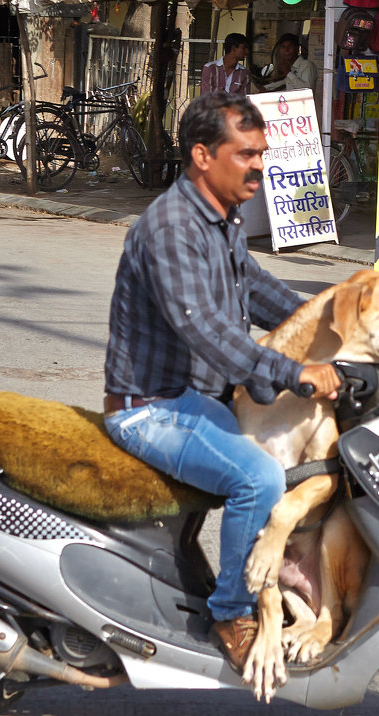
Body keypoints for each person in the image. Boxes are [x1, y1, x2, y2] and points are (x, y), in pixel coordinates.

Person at [102, 91, 340, 671]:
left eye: (262, 153)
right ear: (203, 155)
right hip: (150, 409)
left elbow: (258, 291)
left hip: (192, 401)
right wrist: (294, 372)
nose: (259, 164)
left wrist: (330, 321)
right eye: (246, 153)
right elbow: (205, 329)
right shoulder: (171, 227)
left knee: (282, 460)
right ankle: (231, 614)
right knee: (259, 477)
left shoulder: (222, 220)